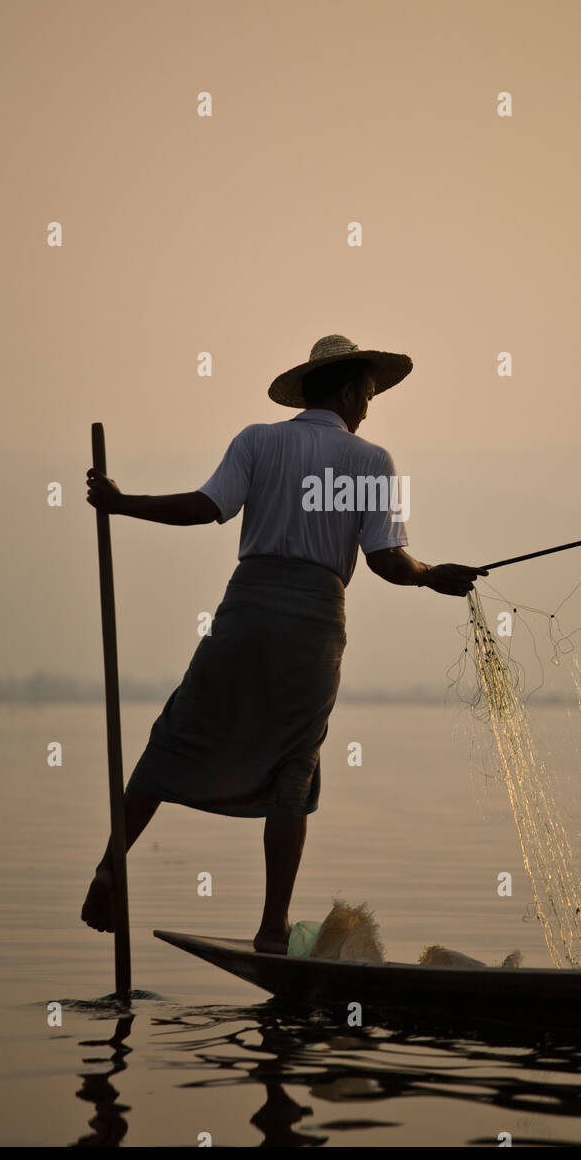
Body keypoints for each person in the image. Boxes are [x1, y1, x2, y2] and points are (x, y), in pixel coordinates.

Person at [81, 334, 488, 953]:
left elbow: (203, 507)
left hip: (245, 610)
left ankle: (112, 863)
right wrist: (433, 576)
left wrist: (119, 503)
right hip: (313, 626)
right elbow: (384, 560)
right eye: (369, 394)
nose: (370, 405)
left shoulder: (257, 440)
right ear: (349, 389)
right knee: (293, 773)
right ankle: (273, 928)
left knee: (176, 737)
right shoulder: (371, 460)